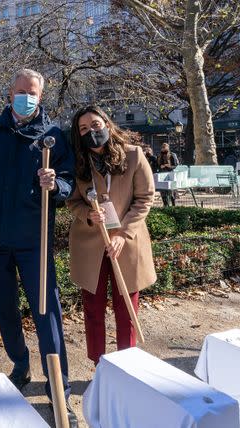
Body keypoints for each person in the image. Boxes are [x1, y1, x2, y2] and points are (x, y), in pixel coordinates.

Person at [0, 69, 77, 427]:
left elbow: (70, 182)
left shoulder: (53, 136)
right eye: (20, 91)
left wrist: (55, 184)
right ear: (9, 92)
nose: (25, 96)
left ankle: (60, 388)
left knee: (47, 313)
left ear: (40, 96)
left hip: (34, 241)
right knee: (6, 310)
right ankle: (20, 364)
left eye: (32, 92)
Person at [66, 105, 157, 365]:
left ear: (106, 123)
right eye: (83, 128)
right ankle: (99, 362)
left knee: (126, 307)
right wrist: (88, 214)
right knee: (93, 309)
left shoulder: (133, 156)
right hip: (90, 244)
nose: (91, 131)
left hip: (126, 243)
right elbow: (72, 202)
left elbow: (145, 198)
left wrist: (123, 234)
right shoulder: (78, 162)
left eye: (95, 125)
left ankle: (127, 363)